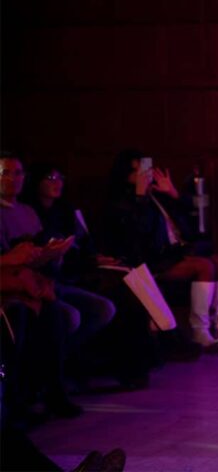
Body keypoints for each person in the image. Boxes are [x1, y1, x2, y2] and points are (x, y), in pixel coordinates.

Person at [22, 163, 155, 388]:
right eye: (50, 177)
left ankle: (136, 365)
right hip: (56, 275)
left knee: (132, 289)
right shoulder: (31, 212)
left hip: (77, 269)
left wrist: (95, 258)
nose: (57, 182)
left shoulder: (64, 210)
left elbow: (83, 244)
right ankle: (97, 366)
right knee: (118, 296)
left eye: (59, 177)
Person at [104, 151, 218, 348]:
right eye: (138, 171)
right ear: (126, 176)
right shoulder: (124, 202)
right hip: (153, 260)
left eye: (147, 169)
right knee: (204, 266)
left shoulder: (157, 196)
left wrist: (173, 194)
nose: (146, 175)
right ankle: (200, 330)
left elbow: (189, 227)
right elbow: (139, 235)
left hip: (177, 252)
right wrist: (140, 197)